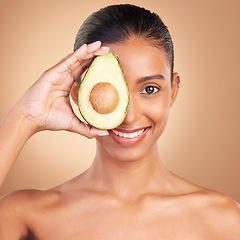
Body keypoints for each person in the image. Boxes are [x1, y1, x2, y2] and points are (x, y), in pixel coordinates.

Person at [0, 4, 239, 239]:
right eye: (108, 90)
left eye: (150, 89)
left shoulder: (226, 219)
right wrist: (25, 117)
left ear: (174, 90)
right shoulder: (25, 216)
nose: (130, 116)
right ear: (77, 94)